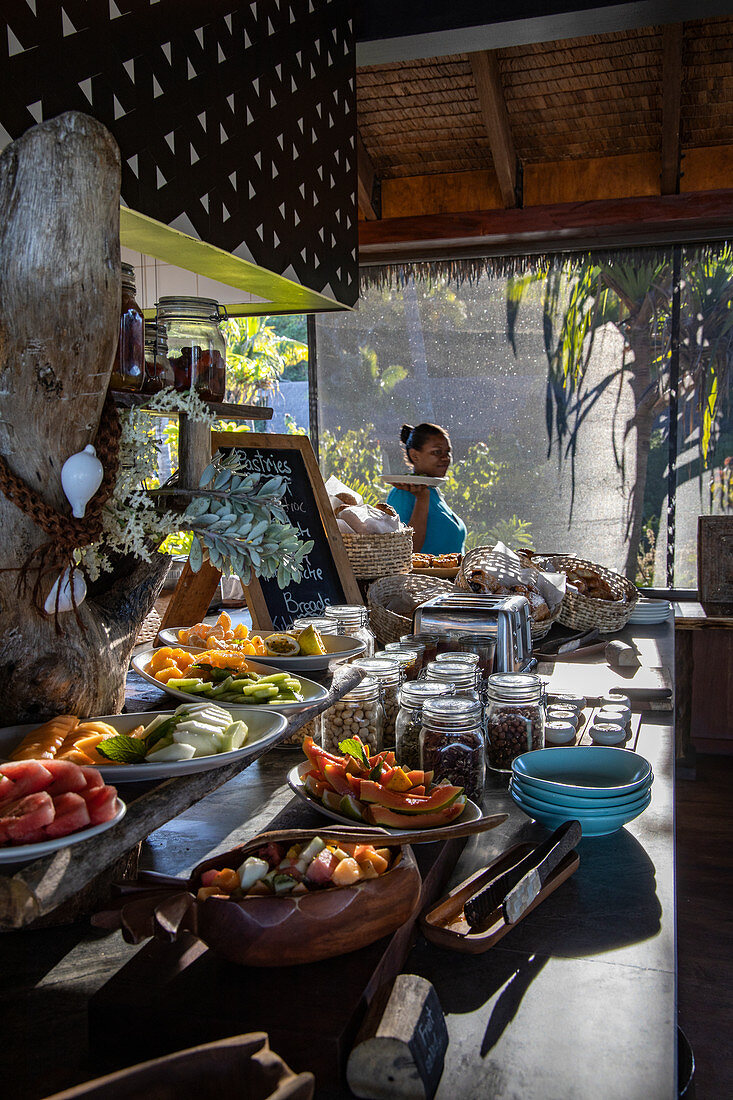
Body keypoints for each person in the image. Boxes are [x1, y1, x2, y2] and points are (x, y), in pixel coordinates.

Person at [386, 423, 467, 554]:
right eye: (437, 452)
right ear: (414, 456)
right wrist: (422, 498)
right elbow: (404, 552)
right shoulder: (402, 493)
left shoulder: (433, 491)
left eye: (448, 452)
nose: (445, 458)